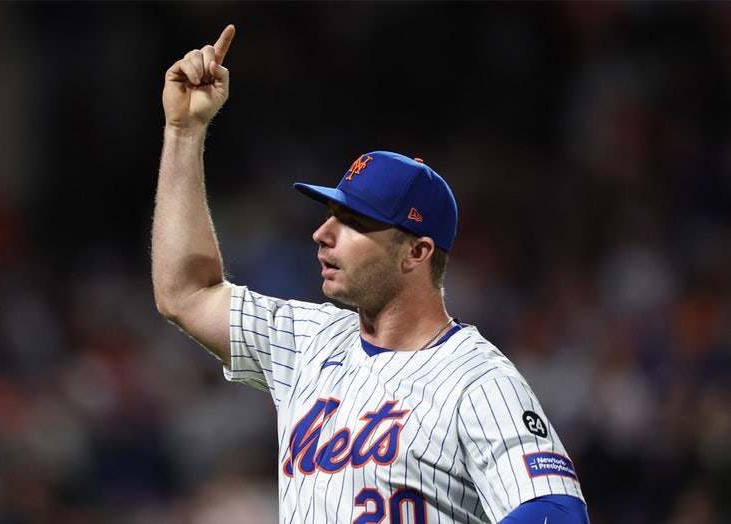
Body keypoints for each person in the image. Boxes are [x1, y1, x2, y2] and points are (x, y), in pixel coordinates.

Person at [151, 24, 590, 524]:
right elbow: (186, 292)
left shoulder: (477, 381)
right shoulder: (308, 342)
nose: (322, 233)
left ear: (416, 252)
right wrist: (184, 133)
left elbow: (556, 513)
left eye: (353, 223)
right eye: (330, 215)